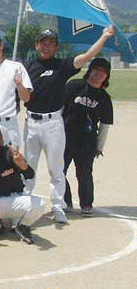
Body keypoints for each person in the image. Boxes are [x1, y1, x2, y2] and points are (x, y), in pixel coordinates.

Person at [23, 26, 114, 224]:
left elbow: (88, 56)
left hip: (53, 123)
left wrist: (105, 36)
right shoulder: (27, 66)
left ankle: (59, 206)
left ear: (57, 47)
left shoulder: (62, 65)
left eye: (51, 44)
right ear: (36, 45)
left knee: (57, 169)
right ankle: (24, 205)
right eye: (43, 43)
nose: (46, 46)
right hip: (31, 121)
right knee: (29, 167)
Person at [62, 57, 113, 216]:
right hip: (65, 136)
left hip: (87, 141)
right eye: (96, 69)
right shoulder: (74, 86)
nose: (99, 73)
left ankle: (86, 204)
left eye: (103, 72)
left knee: (84, 173)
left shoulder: (104, 98)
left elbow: (105, 124)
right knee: (59, 171)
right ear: (90, 70)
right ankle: (65, 201)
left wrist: (99, 147)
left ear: (107, 76)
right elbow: (60, 108)